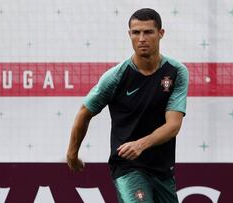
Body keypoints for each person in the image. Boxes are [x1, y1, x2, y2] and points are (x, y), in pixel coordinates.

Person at [66, 8, 189, 203]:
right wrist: (72, 154)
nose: (141, 38)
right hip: (127, 167)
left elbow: (173, 125)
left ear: (161, 33)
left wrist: (141, 144)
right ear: (129, 35)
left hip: (162, 169)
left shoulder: (176, 72)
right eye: (136, 32)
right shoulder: (116, 77)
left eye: (148, 32)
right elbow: (84, 112)